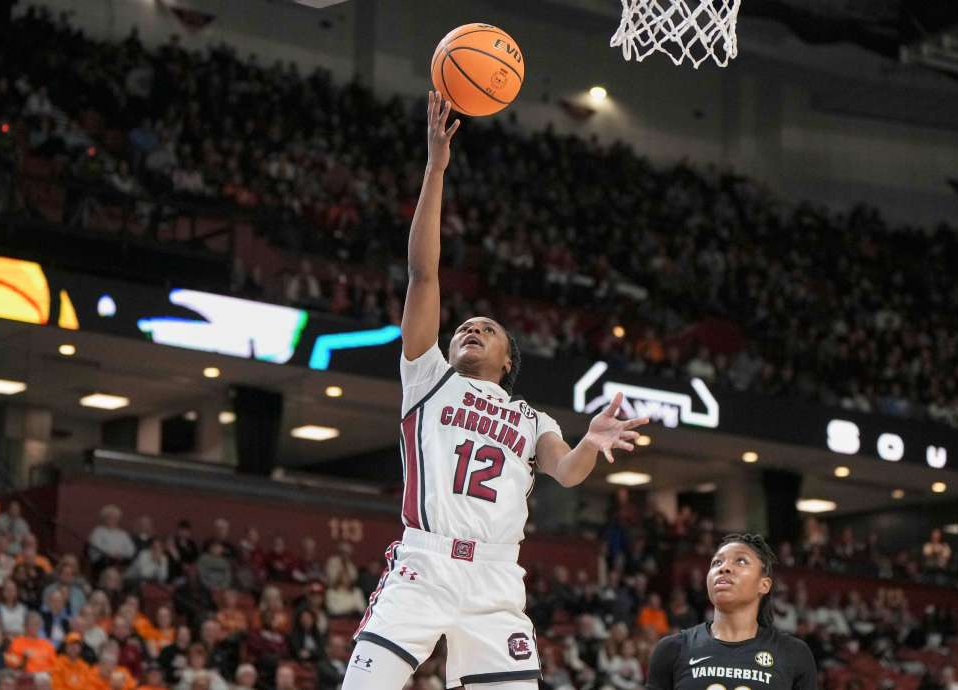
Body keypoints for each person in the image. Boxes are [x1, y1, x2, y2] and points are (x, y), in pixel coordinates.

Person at [341, 92, 648, 690]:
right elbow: (423, 273)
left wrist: (589, 441)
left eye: (487, 329)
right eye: (464, 327)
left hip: (496, 578)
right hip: (425, 564)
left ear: (508, 362)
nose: (471, 329)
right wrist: (436, 167)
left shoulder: (533, 419)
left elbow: (567, 472)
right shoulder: (428, 378)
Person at [645, 533, 817, 690]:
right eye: (717, 562)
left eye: (741, 561)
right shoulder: (672, 649)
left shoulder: (794, 653)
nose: (724, 568)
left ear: (764, 585)